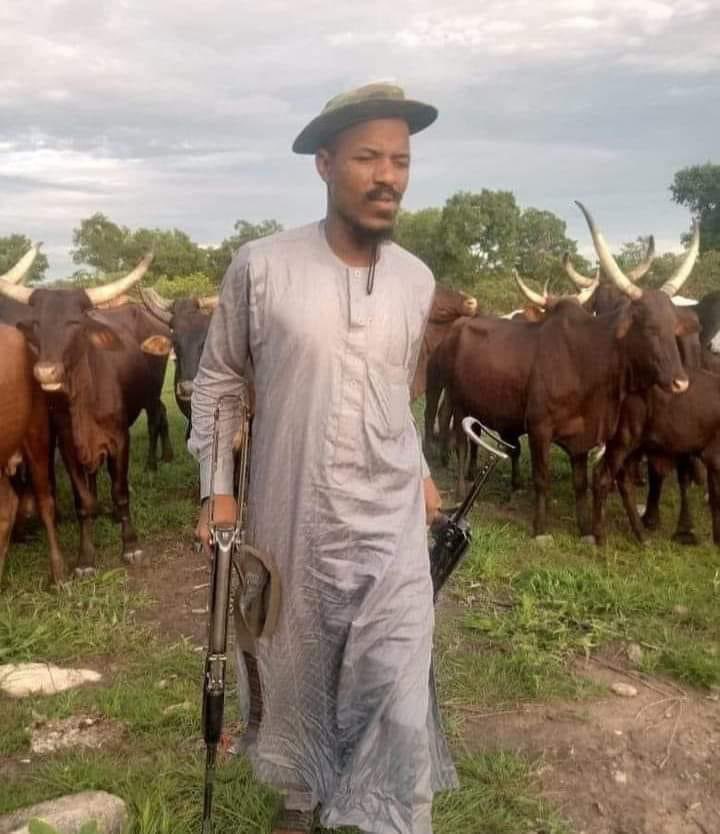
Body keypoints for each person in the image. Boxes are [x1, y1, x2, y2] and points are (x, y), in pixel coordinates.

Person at [190, 82, 457, 834]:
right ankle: (303, 795)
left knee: (396, 681)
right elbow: (219, 382)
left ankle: (387, 816)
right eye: (369, 157)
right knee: (298, 666)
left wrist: (422, 474)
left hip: (390, 523)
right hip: (294, 510)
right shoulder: (261, 267)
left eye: (401, 161)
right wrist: (217, 489)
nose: (388, 177)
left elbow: (394, 390)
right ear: (324, 162)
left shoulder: (416, 281)